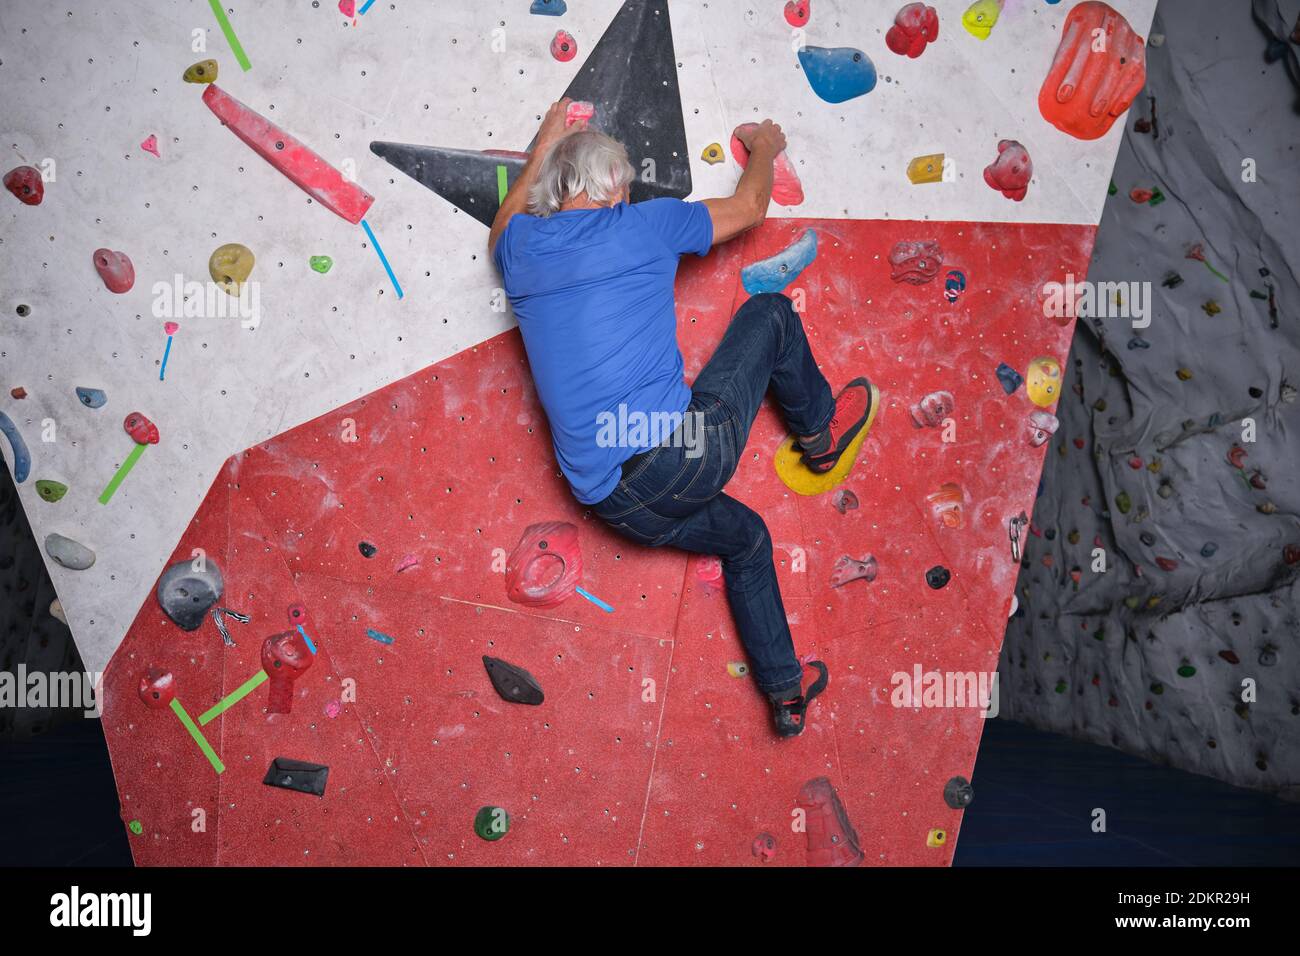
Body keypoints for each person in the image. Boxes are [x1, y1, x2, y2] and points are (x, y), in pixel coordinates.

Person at [490, 99, 875, 737]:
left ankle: (785, 694)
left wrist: (545, 146)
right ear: (613, 187)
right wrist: (766, 145)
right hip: (682, 453)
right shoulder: (643, 225)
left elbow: (501, 225)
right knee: (770, 315)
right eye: (626, 185)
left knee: (748, 539)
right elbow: (752, 209)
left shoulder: (521, 250)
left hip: (614, 502)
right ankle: (820, 437)